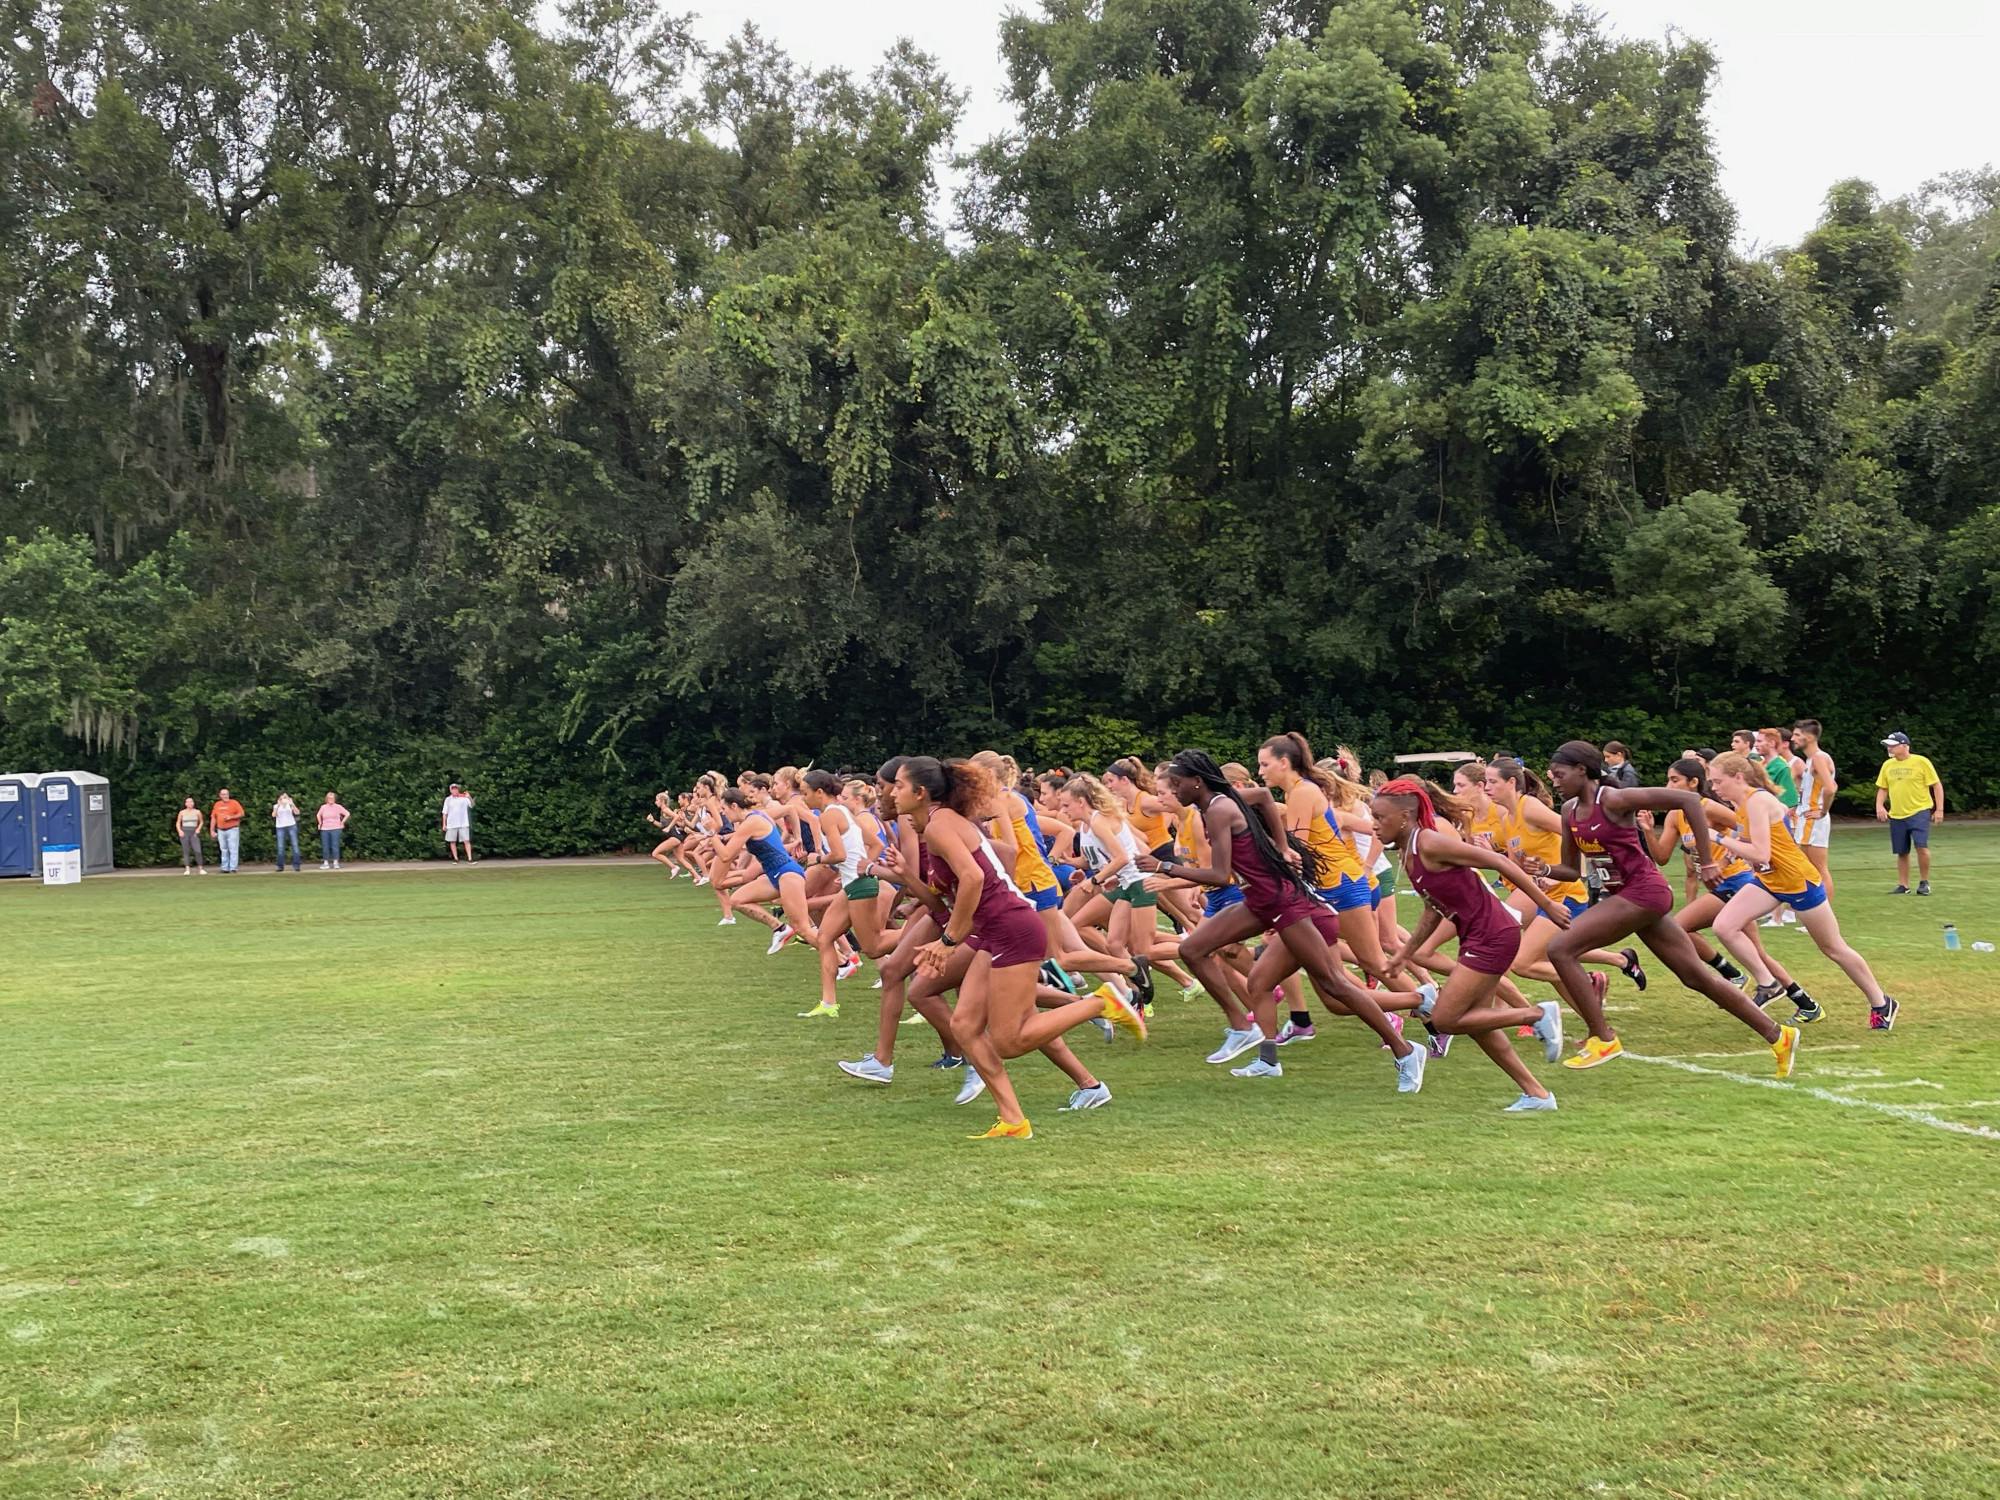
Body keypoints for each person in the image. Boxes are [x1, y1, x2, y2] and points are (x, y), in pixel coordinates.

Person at [1533, 740, 1798, 1077]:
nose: (1554, 780)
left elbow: (1689, 800)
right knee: (1695, 976)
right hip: (1628, 897)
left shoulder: (1614, 799)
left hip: (1644, 892)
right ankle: (1779, 1036)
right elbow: (1571, 870)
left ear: (1582, 771)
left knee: (1560, 948)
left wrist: (1706, 861)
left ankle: (1603, 1038)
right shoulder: (1569, 810)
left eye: (1559, 774)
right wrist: (1540, 868)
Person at [1709, 753, 1899, 1032]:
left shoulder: (1758, 801)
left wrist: (1716, 837)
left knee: (1833, 948)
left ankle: (1882, 1002)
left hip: (1798, 882)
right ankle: (1768, 984)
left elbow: (1760, 851)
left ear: (1738, 777)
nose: (1714, 788)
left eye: (1717, 781)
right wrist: (1727, 854)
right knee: (1724, 926)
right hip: (1771, 881)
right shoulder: (1741, 803)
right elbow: (1754, 847)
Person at [1875, 732, 1943, 896]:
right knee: (1902, 851)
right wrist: (1879, 806)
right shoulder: (1888, 765)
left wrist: (1939, 809)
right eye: (1888, 745)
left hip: (1919, 810)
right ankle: (1903, 885)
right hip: (1897, 813)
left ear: (1905, 746)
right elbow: (1883, 788)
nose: (1889, 748)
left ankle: (1924, 882)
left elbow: (1936, 785)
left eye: (1893, 745)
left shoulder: (1921, 762)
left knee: (1921, 846)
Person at [1792, 718, 1838, 896]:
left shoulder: (1819, 758)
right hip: (1806, 817)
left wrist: (1823, 811)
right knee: (1807, 868)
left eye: (1797, 735)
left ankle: (1824, 916)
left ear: (1809, 737)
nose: (1793, 739)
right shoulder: (1811, 760)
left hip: (1813, 819)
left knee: (1818, 869)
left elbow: (1830, 787)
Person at [210, 787, 245, 874]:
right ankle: (225, 868)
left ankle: (233, 868)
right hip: (221, 830)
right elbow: (213, 817)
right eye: (223, 794)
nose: (225, 796)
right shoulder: (217, 804)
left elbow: (241, 813)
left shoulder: (234, 803)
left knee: (233, 848)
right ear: (220, 795)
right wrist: (212, 830)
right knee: (223, 849)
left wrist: (231, 817)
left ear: (228, 795)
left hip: (232, 828)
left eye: (226, 794)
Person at [442, 783, 476, 863]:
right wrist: (444, 824)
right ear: (450, 790)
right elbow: (444, 813)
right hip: (451, 824)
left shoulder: (464, 798)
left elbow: (472, 805)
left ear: (458, 789)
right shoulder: (448, 799)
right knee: (452, 841)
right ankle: (456, 859)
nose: (454, 790)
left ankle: (470, 859)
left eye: (456, 789)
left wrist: (469, 797)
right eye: (453, 789)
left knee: (466, 841)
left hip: (463, 823)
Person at [174, 797, 207, 875]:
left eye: (191, 802)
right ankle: (187, 868)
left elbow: (201, 822)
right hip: (185, 831)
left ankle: (200, 868)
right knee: (186, 850)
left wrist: (198, 829)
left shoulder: (197, 812)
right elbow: (178, 822)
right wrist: (180, 831)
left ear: (193, 803)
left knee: (197, 850)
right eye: (188, 802)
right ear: (185, 804)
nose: (190, 803)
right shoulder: (182, 812)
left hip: (194, 831)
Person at [317, 793, 349, 869]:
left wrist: (342, 822)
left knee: (335, 845)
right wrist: (320, 822)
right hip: (325, 829)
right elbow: (318, 815)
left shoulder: (338, 807)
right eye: (329, 798)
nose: (330, 800)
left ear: (335, 799)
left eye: (332, 798)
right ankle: (326, 863)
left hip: (336, 828)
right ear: (326, 799)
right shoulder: (323, 807)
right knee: (325, 846)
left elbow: (347, 813)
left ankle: (335, 862)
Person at [272, 791, 302, 872]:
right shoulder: (276, 806)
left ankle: (297, 865)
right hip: (280, 827)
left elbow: (297, 812)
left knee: (295, 845)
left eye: (285, 797)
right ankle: (280, 866)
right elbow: (273, 815)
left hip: (291, 826)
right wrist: (278, 805)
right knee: (280, 847)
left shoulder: (290, 805)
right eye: (282, 797)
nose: (284, 799)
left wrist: (292, 804)